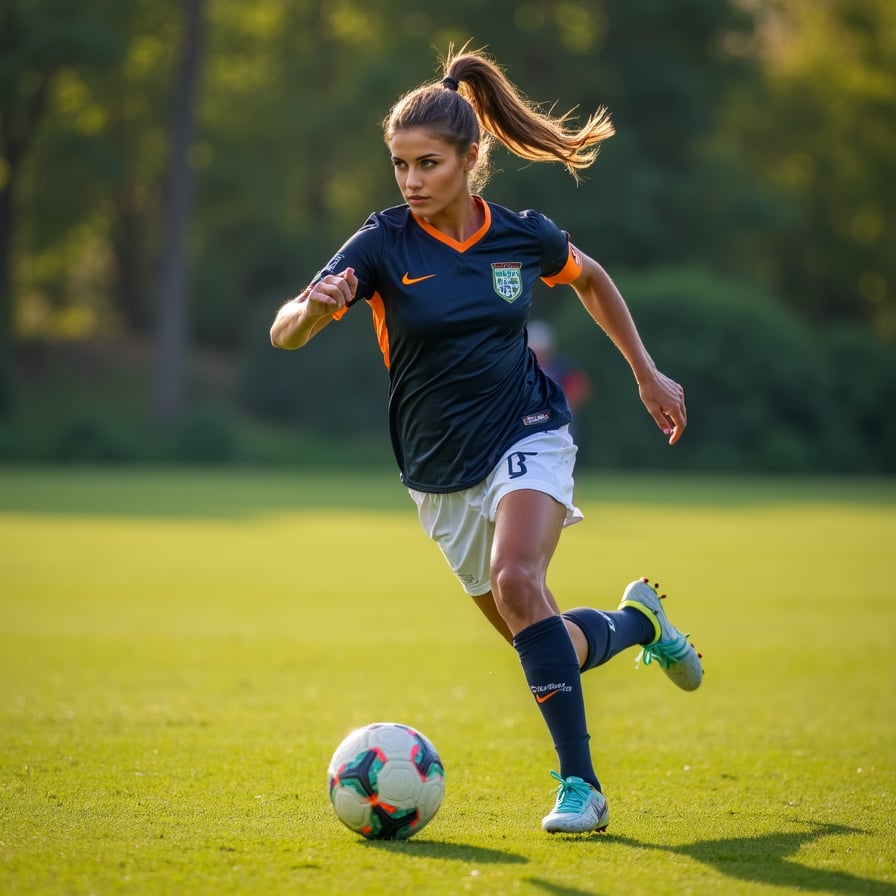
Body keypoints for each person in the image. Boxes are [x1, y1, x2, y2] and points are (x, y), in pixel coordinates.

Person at [270, 46, 702, 835]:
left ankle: (582, 788)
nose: (410, 181)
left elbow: (592, 278)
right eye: (399, 165)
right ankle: (642, 624)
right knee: (544, 641)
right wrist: (315, 309)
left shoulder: (520, 238)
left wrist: (646, 372)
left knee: (515, 577)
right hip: (436, 472)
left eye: (427, 164)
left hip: (528, 430)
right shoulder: (379, 245)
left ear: (472, 159)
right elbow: (284, 332)